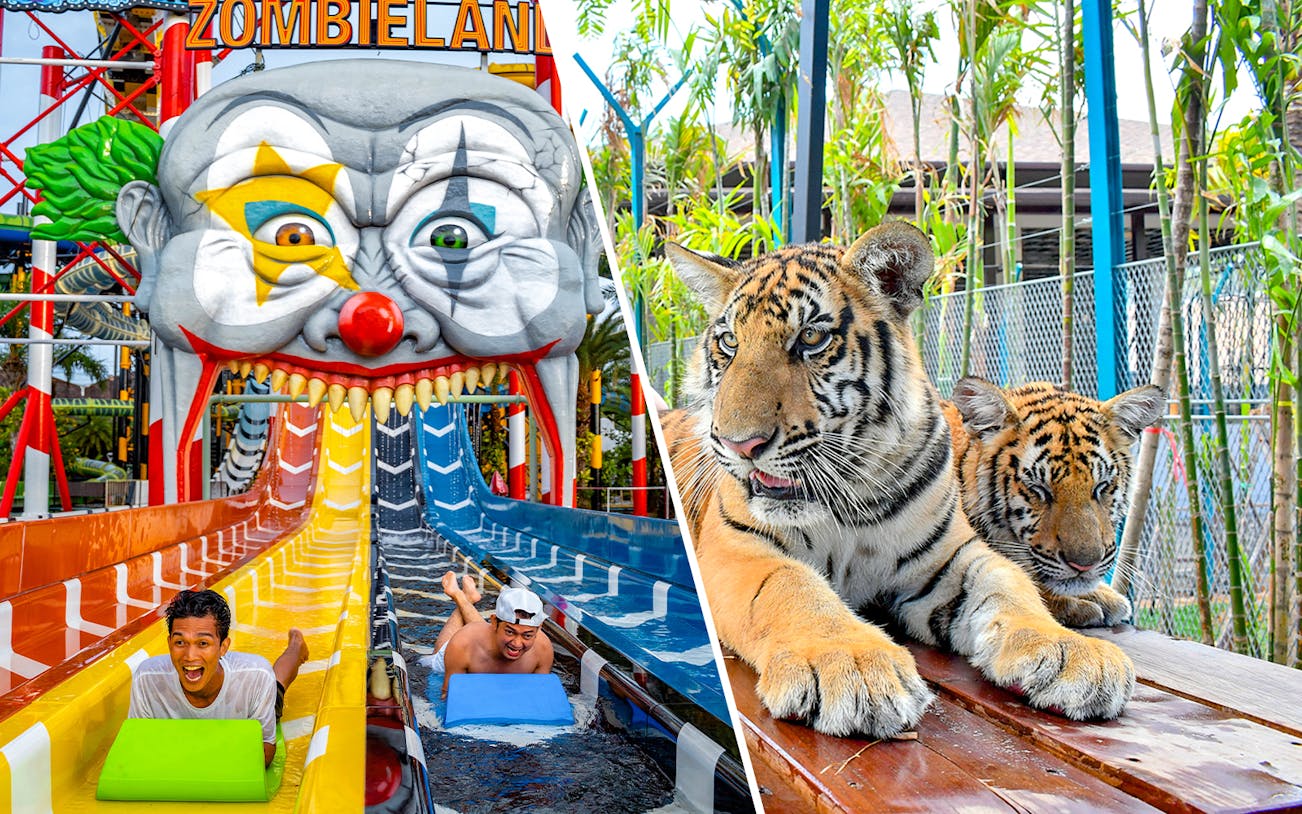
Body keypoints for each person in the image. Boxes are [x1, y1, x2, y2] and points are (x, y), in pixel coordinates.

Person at [127, 589, 308, 767]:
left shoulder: (254, 677)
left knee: (277, 684)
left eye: (203, 643)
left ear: (223, 646)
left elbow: (264, 755)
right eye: (180, 642)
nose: (190, 655)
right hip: (224, 744)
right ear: (169, 643)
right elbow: (138, 748)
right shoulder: (148, 678)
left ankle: (296, 647)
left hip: (244, 708)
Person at [423, 572, 554, 698]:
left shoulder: (543, 649)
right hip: (463, 650)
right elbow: (447, 697)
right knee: (439, 653)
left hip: (487, 639)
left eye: (527, 635)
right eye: (510, 632)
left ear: (539, 628)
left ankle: (466, 598)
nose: (517, 644)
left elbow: (539, 696)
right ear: (494, 621)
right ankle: (458, 595)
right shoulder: (463, 644)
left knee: (495, 637)